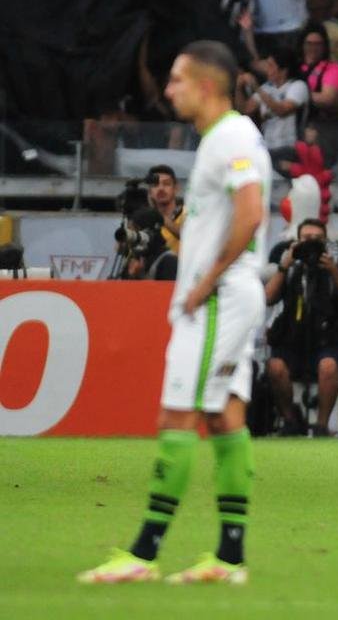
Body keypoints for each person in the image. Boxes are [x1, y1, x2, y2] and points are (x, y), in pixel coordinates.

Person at [79, 41, 270, 584]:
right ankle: (229, 558)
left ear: (206, 86)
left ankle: (143, 553)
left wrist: (205, 281)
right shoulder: (224, 138)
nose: (167, 91)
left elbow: (252, 213)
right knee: (223, 416)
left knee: (177, 415)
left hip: (218, 299)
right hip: (229, 295)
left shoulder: (231, 136)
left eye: (176, 80)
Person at [265, 219, 338, 436]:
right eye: (306, 239)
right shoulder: (290, 264)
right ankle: (289, 422)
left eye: (317, 239)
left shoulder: (335, 263)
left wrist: (333, 270)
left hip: (329, 341)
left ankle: (321, 426)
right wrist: (283, 266)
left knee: (328, 366)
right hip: (294, 341)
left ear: (325, 241)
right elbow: (268, 298)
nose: (311, 244)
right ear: (297, 241)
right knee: (275, 366)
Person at [147, 164, 184, 254]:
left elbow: (189, 237)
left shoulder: (188, 213)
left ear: (176, 188)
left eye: (166, 184)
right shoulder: (146, 219)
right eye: (155, 185)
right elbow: (120, 249)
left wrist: (160, 216)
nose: (161, 188)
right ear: (150, 192)